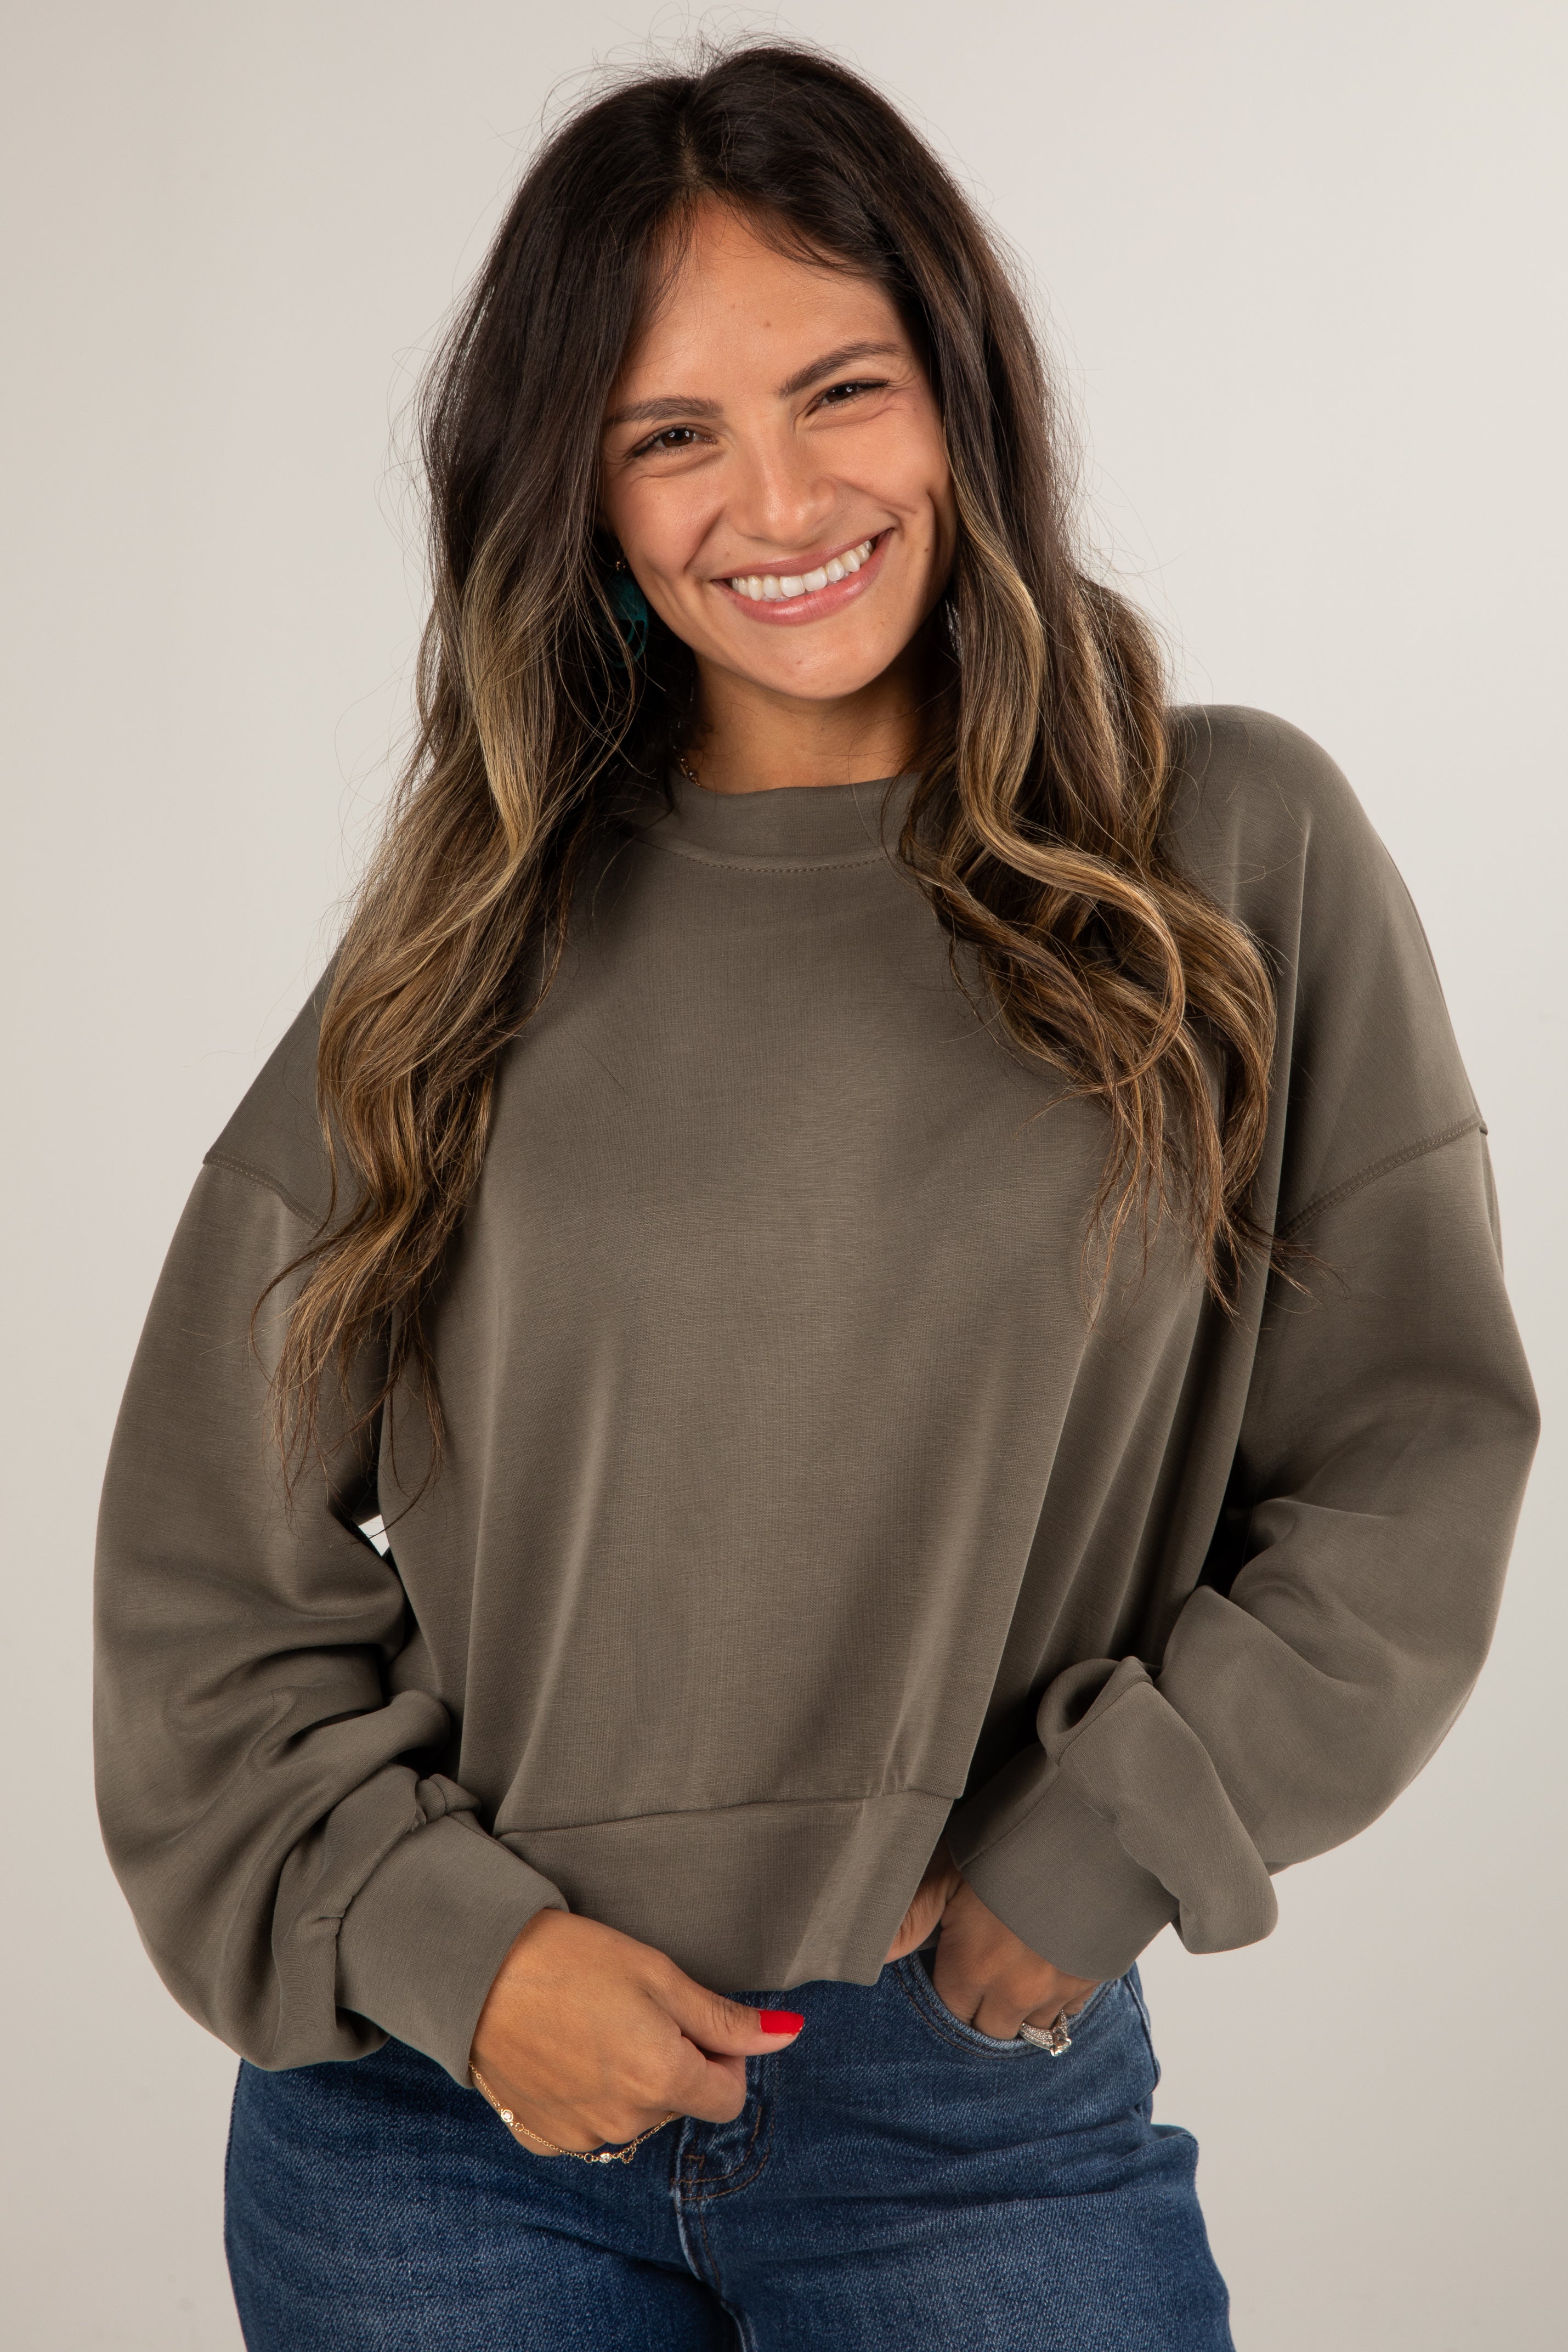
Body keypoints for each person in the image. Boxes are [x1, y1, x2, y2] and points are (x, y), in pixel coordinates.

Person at [93, 40, 1538, 2352]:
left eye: (838, 388)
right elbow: (205, 1579)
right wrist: (461, 1958)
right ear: (579, 488)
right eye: (670, 433)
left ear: (958, 388)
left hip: (963, 2111)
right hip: (445, 2136)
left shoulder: (1225, 860)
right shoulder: (476, 935)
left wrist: (1091, 1857)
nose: (773, 496)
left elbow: (1415, 1448)